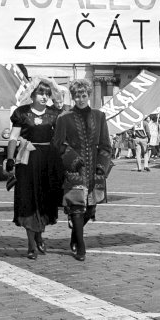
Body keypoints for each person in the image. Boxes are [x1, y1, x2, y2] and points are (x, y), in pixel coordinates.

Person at [52, 79, 112, 261]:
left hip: (95, 169)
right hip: (74, 170)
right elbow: (59, 144)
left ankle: (74, 236)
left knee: (89, 210)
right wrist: (74, 161)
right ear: (73, 97)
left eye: (83, 95)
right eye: (77, 96)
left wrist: (102, 167)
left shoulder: (99, 116)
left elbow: (105, 145)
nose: (80, 99)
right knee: (76, 207)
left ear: (89, 96)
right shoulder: (64, 118)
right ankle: (81, 247)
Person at [6, 77, 62, 260]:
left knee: (45, 200)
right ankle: (31, 243)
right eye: (41, 93)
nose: (44, 97)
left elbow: (61, 137)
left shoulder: (55, 114)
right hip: (27, 161)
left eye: (47, 94)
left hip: (48, 162)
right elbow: (13, 137)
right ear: (32, 94)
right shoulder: (22, 113)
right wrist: (10, 159)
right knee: (28, 200)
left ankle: (39, 234)